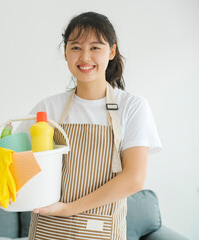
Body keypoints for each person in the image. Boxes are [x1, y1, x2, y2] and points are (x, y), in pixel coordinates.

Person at [15, 11, 162, 239]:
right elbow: (16, 161)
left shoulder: (132, 107)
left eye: (95, 47)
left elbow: (134, 178)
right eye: (75, 47)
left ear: (112, 51)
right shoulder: (48, 108)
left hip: (101, 231)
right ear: (65, 53)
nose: (84, 57)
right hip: (49, 230)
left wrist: (68, 209)